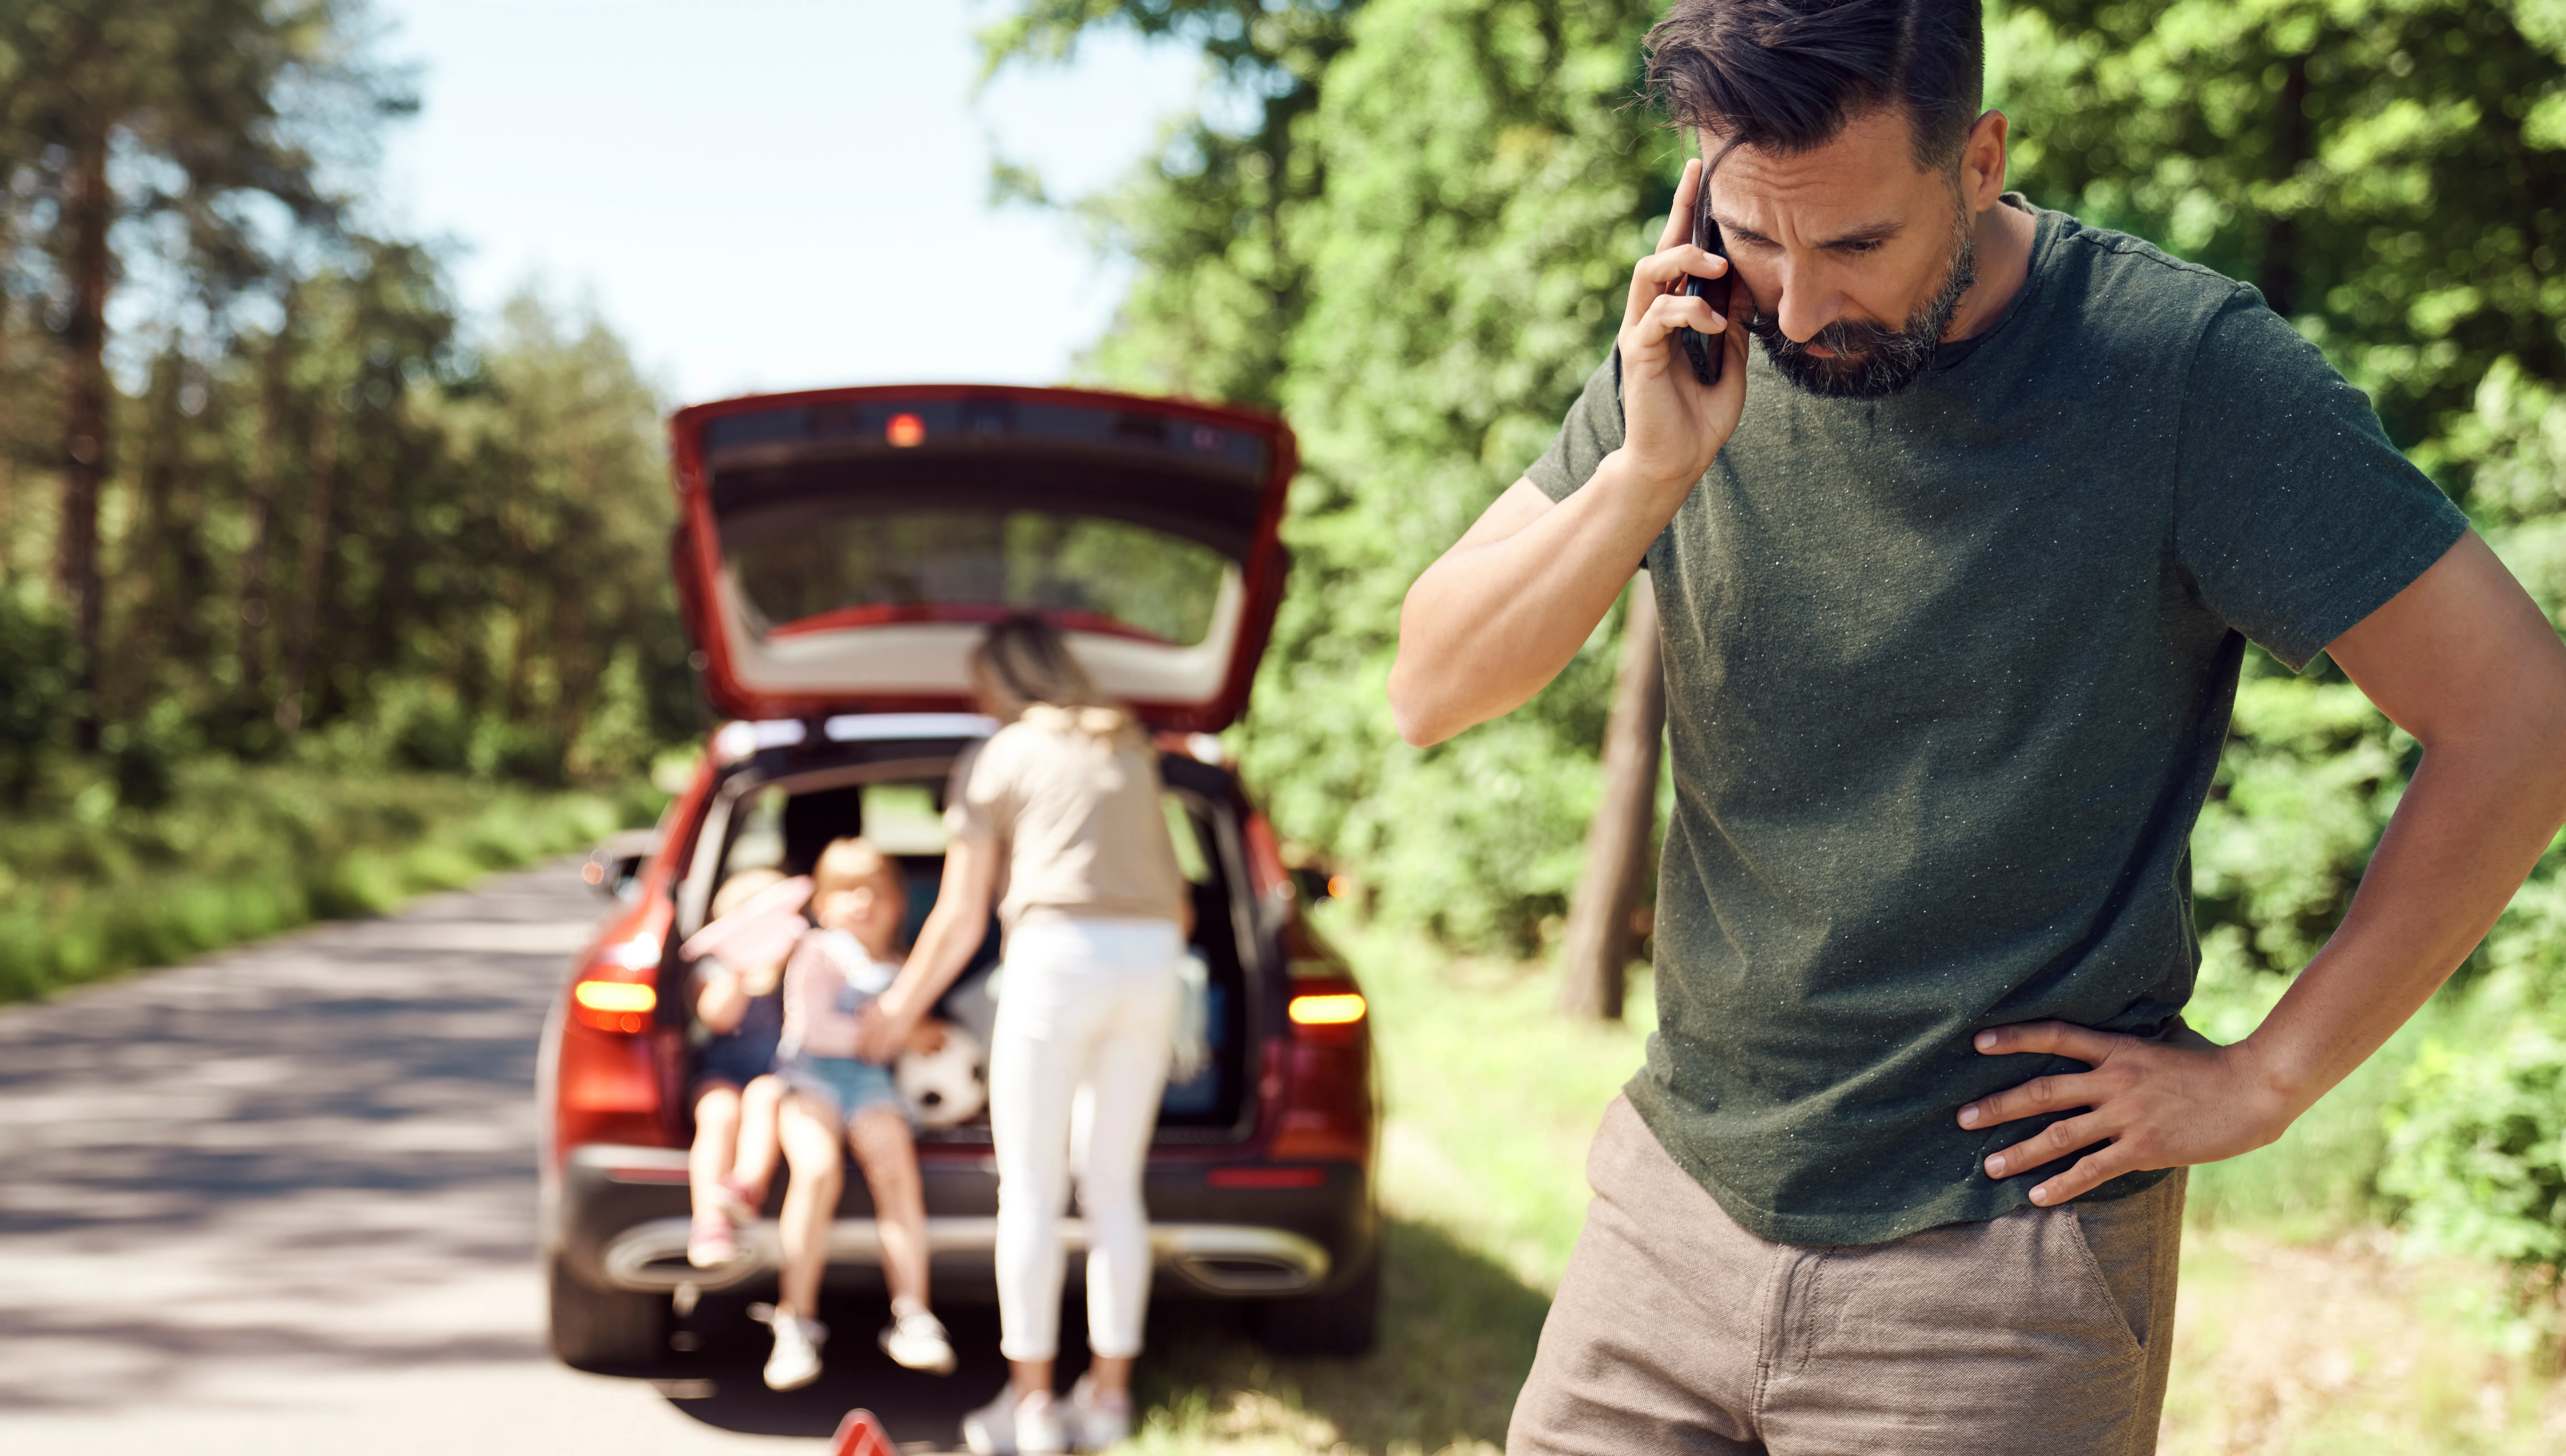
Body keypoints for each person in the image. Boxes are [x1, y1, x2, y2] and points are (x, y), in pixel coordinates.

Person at [1387, 2, 2566, 1452]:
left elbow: (2518, 714)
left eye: (1857, 245)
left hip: (1996, 1274)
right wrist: (1644, 477)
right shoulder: (1689, 350)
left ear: (1980, 158)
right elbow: (1429, 685)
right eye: (1755, 235)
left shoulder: (2180, 368)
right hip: (1666, 1211)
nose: (1802, 307)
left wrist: (2267, 1078)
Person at [859, 617, 1193, 1456]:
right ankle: (1108, 1401)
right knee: (1114, 1187)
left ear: (1004, 681)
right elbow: (1183, 903)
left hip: (1058, 958)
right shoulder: (1129, 746)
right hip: (1154, 963)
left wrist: (898, 1008)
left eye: (981, 683)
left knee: (1034, 1190)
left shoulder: (1002, 754)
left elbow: (963, 913)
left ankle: (1034, 1407)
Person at [753, 836, 958, 1391]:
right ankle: (795, 1319)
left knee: (895, 1168)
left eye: (875, 891)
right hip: (808, 1079)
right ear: (822, 904)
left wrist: (913, 1034)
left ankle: (912, 1314)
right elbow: (813, 1028)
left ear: (899, 904)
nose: (861, 902)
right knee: (816, 1170)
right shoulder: (817, 952)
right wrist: (886, 1035)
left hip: (871, 1085)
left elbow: (919, 1034)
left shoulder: (901, 966)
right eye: (846, 891)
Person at [678, 868, 797, 1269]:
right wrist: (741, 967)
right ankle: (709, 1221)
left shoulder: (799, 960)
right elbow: (718, 1018)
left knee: (765, 1098)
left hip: (775, 1072)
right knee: (719, 1114)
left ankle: (746, 1188)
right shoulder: (716, 968)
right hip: (721, 1072)